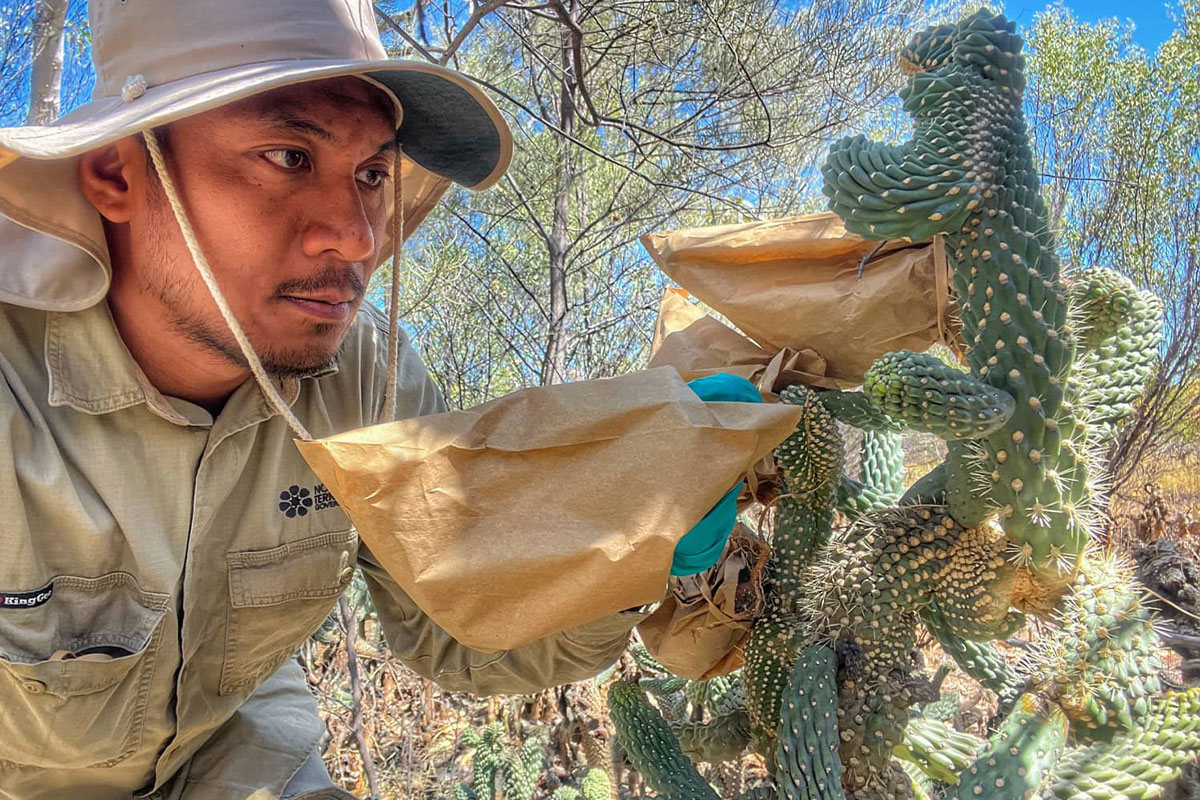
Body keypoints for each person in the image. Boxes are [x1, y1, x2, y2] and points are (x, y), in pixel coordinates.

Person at [0, 2, 745, 798]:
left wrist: (624, 539)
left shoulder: (369, 377)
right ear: (119, 172)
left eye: (371, 175)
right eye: (288, 156)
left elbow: (457, 634)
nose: (358, 237)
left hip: (229, 749)